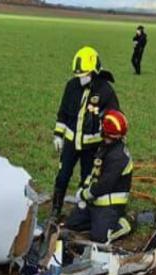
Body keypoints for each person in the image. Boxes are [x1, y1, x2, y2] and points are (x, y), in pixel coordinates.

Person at [52, 46, 119, 219]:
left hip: (92, 147)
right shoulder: (72, 86)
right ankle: (56, 209)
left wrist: (106, 144)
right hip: (70, 143)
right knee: (62, 176)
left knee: (87, 180)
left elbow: (114, 118)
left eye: (84, 75)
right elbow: (63, 112)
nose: (80, 79)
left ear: (94, 71)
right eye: (78, 76)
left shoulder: (106, 91)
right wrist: (58, 135)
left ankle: (81, 211)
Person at [66, 110, 133, 243]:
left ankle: (126, 223)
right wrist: (85, 187)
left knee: (99, 238)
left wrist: (85, 195)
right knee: (73, 224)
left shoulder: (118, 157)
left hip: (110, 206)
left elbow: (104, 185)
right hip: (95, 202)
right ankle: (99, 223)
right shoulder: (106, 146)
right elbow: (95, 171)